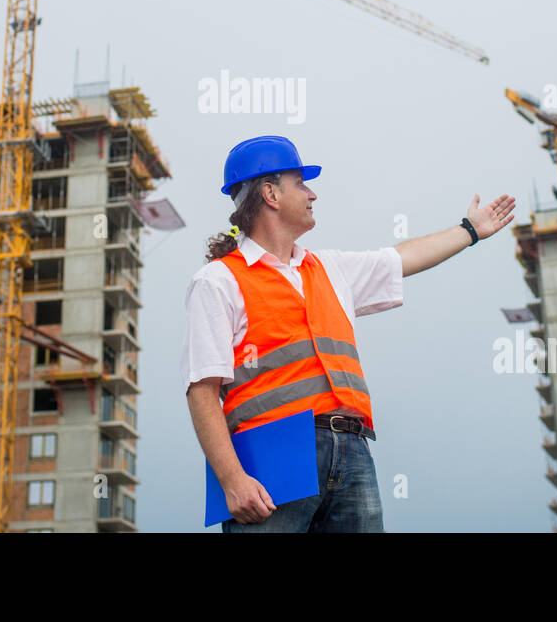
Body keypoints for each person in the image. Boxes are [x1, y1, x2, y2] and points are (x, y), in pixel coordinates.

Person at [181, 134, 515, 532]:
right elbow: (201, 389)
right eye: (301, 183)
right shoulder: (218, 281)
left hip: (352, 448)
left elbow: (401, 258)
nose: (313, 194)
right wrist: (232, 481)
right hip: (271, 461)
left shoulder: (330, 269)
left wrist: (469, 230)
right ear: (270, 193)